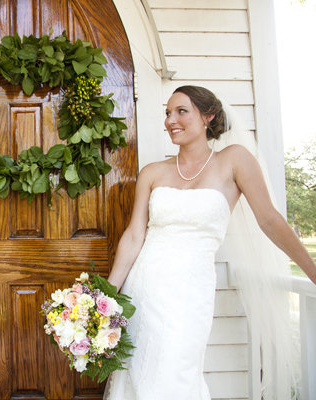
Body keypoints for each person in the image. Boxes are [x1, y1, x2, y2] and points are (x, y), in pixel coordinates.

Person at [103, 85, 316, 400]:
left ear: (208, 117)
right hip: (145, 287)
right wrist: (106, 295)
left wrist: (311, 269)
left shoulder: (234, 160)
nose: (170, 120)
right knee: (138, 372)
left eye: (181, 111)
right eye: (167, 113)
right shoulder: (153, 173)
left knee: (177, 372)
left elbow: (269, 219)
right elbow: (135, 235)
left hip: (190, 292)